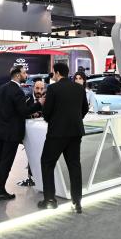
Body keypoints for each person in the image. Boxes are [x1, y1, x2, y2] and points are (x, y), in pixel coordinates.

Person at [38, 63, 90, 212]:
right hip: (75, 132)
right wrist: (75, 120)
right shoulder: (79, 88)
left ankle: (50, 200)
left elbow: (47, 112)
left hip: (57, 133)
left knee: (47, 163)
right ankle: (77, 202)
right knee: (74, 165)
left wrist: (53, 119)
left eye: (53, 73)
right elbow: (85, 109)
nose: (53, 75)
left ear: (57, 72)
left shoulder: (53, 88)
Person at [0, 66, 41, 200]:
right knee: (6, 162)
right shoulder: (18, 91)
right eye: (24, 72)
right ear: (18, 75)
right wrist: (39, 104)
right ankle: (0, 192)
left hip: (0, 130)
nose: (26, 74)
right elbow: (23, 111)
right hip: (11, 133)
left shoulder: (2, 88)